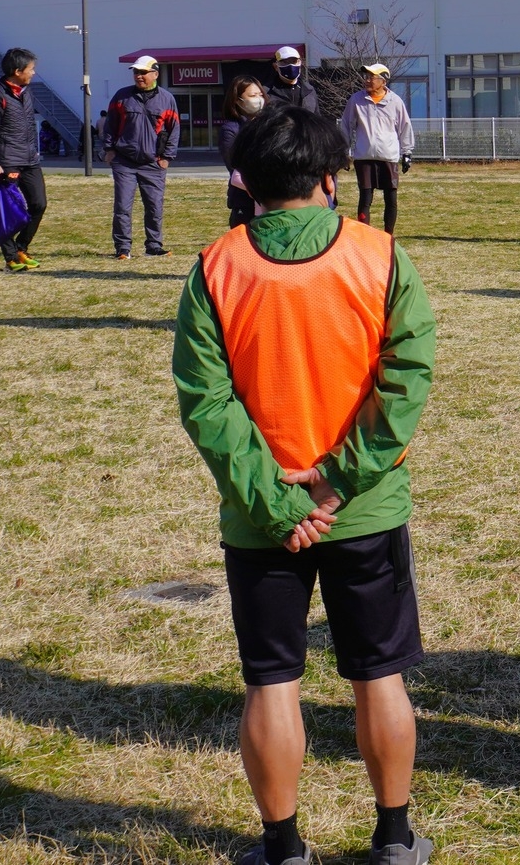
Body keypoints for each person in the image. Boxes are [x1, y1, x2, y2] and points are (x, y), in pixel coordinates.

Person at [173, 105, 438, 865]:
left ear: (247, 183)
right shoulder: (380, 256)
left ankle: (283, 848)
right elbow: (406, 379)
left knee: (272, 681)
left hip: (261, 520)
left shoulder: (216, 267)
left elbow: (206, 401)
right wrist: (338, 480)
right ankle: (395, 837)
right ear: (330, 177)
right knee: (379, 676)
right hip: (364, 510)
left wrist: (278, 499)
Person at [102, 54, 181, 260]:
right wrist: (109, 150)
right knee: (122, 206)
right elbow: (110, 125)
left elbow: (174, 129)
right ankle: (123, 248)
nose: (139, 76)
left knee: (154, 206)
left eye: (144, 72)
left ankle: (153, 246)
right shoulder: (121, 96)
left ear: (155, 74)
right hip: (124, 162)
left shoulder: (167, 99)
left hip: (153, 163)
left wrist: (167, 157)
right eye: (136, 72)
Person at [0, 47, 48, 272]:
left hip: (30, 159)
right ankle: (10, 258)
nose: (34, 73)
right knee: (8, 211)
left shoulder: (26, 91)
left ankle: (21, 248)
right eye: (31, 69)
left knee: (39, 204)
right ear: (17, 71)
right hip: (8, 161)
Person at [341, 64, 415, 234]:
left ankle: (388, 235)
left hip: (388, 157)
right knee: (365, 198)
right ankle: (365, 235)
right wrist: (344, 151)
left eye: (371, 77)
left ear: (383, 81)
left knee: (391, 199)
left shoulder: (395, 101)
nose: (367, 80)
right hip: (364, 156)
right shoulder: (356, 100)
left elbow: (405, 126)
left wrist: (407, 152)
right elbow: (346, 125)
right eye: (366, 77)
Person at [219, 76, 268, 228]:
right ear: (238, 100)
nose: (258, 99)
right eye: (253, 96)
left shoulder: (269, 125)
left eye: (260, 95)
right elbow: (233, 165)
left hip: (269, 201)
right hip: (244, 200)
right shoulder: (231, 130)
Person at [265, 46, 321, 115]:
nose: (290, 66)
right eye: (284, 62)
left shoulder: (309, 90)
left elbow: (316, 117)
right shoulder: (267, 92)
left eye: (294, 61)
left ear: (300, 63)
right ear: (275, 66)